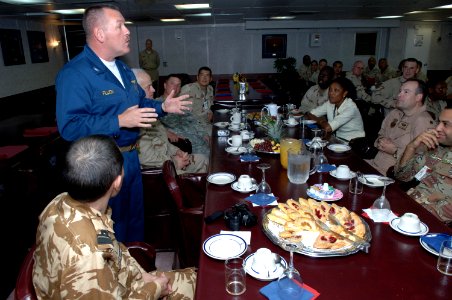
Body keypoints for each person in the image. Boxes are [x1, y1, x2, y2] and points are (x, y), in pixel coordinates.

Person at [55, 4, 191, 243]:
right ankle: (113, 276)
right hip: (102, 163)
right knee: (109, 228)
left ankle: (136, 270)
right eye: (119, 26)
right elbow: (70, 127)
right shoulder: (75, 73)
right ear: (99, 33)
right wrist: (118, 121)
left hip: (130, 157)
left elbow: (139, 104)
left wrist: (162, 107)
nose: (128, 31)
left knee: (135, 219)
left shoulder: (124, 70)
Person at [32, 135, 197, 299]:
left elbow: (114, 248)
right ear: (117, 182)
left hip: (121, 281)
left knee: (198, 278)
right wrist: (154, 289)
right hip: (115, 291)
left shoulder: (61, 201)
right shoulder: (89, 257)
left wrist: (141, 275)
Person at [133, 69, 208, 173]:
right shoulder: (135, 118)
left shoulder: (150, 112)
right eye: (148, 87)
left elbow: (163, 139)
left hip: (169, 156)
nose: (153, 90)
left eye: (179, 85)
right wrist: (174, 162)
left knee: (203, 159)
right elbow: (146, 158)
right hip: (158, 170)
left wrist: (177, 151)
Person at [394, 104, 452, 224]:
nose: (438, 128)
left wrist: (410, 212)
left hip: (426, 223)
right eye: (439, 122)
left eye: (445, 124)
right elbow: (401, 176)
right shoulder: (436, 148)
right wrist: (412, 146)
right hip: (404, 208)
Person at [365, 79, 435, 175]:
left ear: (418, 97)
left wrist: (395, 151)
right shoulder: (395, 113)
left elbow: (422, 161)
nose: (399, 95)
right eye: (400, 91)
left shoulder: (424, 121)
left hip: (393, 176)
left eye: (406, 92)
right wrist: (380, 141)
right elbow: (380, 134)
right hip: (374, 164)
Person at [160, 67, 213, 155]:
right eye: (172, 84)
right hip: (181, 142)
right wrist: (166, 133)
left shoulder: (179, 103)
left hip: (195, 136)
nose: (175, 87)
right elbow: (153, 126)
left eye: (178, 85)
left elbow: (192, 119)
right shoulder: (156, 104)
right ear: (165, 85)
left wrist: (204, 134)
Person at [306, 77, 365, 142]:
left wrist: (321, 121)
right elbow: (310, 114)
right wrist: (322, 121)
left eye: (336, 90)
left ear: (344, 93)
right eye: (330, 90)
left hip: (353, 144)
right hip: (336, 140)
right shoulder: (330, 103)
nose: (331, 93)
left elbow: (328, 128)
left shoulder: (350, 107)